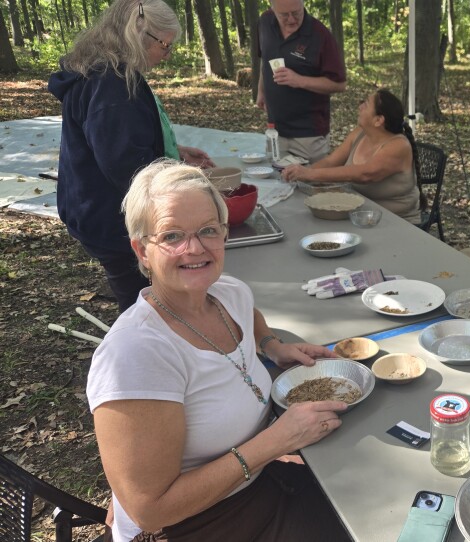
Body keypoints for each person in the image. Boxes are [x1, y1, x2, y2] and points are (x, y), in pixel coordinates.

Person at [87, 160, 350, 541]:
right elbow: (148, 510)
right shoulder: (136, 355)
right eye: (172, 235)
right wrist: (275, 442)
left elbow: (251, 315)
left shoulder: (228, 293)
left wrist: (273, 346)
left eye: (208, 230)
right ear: (142, 251)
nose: (195, 248)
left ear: (225, 234)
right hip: (193, 524)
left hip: (260, 483)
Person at [48, 0, 215, 313]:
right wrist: (187, 188)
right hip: (114, 220)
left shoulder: (103, 71)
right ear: (140, 36)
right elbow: (129, 170)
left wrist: (172, 152)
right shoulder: (112, 88)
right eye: (165, 45)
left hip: (97, 209)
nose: (167, 54)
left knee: (146, 300)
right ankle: (147, 356)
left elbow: (115, 143)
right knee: (146, 306)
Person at [281, 89, 422, 224]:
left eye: (366, 104)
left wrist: (310, 174)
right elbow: (331, 161)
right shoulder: (360, 133)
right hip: (359, 214)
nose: (360, 106)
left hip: (396, 222)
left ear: (378, 120)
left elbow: (365, 174)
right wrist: (299, 173)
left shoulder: (398, 146)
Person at [256, 0, 346, 164]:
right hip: (275, 129)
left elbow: (339, 84)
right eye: (284, 15)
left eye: (296, 13)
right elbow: (265, 59)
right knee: (278, 183)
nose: (291, 20)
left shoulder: (320, 35)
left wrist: (299, 80)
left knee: (310, 186)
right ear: (272, 8)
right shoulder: (265, 22)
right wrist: (261, 90)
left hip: (308, 134)